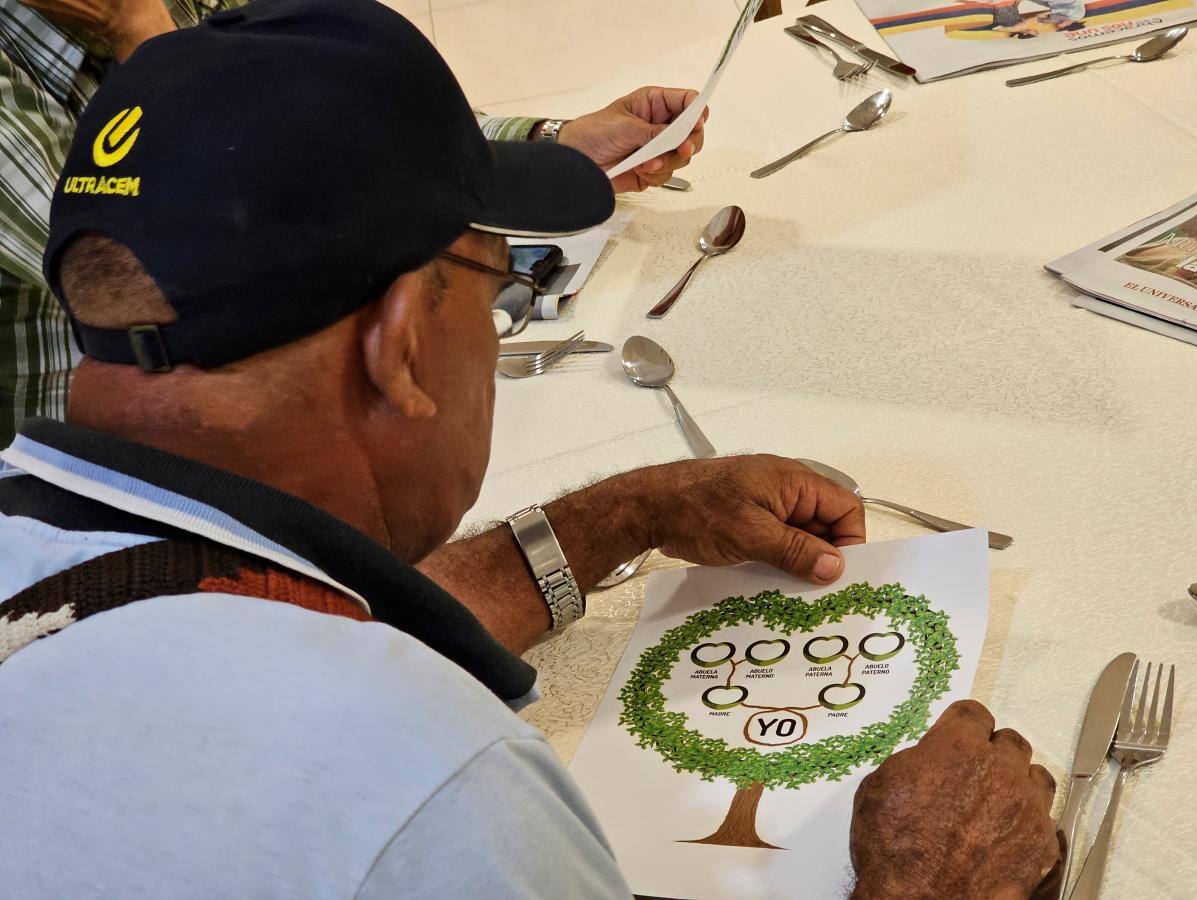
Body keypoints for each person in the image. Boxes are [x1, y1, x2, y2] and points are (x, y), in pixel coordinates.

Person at [0, 1, 1061, 896]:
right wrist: (929, 884)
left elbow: (260, 616)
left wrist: (614, 521)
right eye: (497, 281)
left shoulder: (46, 539)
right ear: (400, 339)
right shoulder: (442, 797)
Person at [0, 0, 706, 448]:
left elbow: (344, 122)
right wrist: (146, 35)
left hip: (268, 393)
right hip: (118, 465)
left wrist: (555, 139)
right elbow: (178, 255)